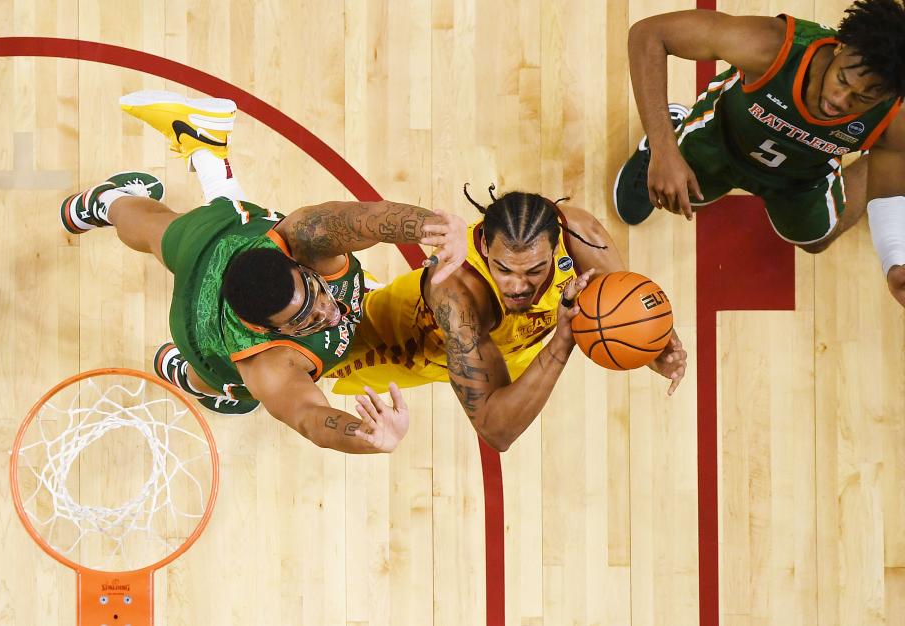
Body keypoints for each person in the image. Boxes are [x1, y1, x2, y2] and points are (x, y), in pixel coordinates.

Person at [59, 90, 467, 454]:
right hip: (201, 328)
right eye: (304, 321)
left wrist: (436, 228)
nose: (328, 314)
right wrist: (367, 435)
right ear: (274, 332)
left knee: (175, 226)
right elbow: (310, 417)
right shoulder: (268, 365)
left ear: (299, 264)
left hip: (228, 236)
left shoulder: (308, 240)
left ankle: (159, 169)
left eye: (316, 294)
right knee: (223, 381)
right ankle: (183, 366)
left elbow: (370, 220)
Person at [328, 185, 689, 452]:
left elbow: (619, 304)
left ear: (555, 244)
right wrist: (563, 341)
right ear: (484, 246)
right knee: (320, 356)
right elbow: (495, 430)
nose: (519, 286)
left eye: (535, 270)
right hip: (403, 343)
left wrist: (653, 344)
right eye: (504, 269)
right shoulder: (458, 295)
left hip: (510, 351)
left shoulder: (581, 234)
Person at [614, 0, 905, 307]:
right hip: (721, 142)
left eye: (861, 98)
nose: (839, 99)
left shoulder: (893, 122)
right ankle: (664, 137)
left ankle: (880, 158)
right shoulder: (773, 46)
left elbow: (887, 196)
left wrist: (895, 261)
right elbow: (650, 34)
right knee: (680, 198)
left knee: (816, 240)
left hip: (802, 177)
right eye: (842, 79)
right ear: (840, 46)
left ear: (891, 97)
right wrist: (665, 152)